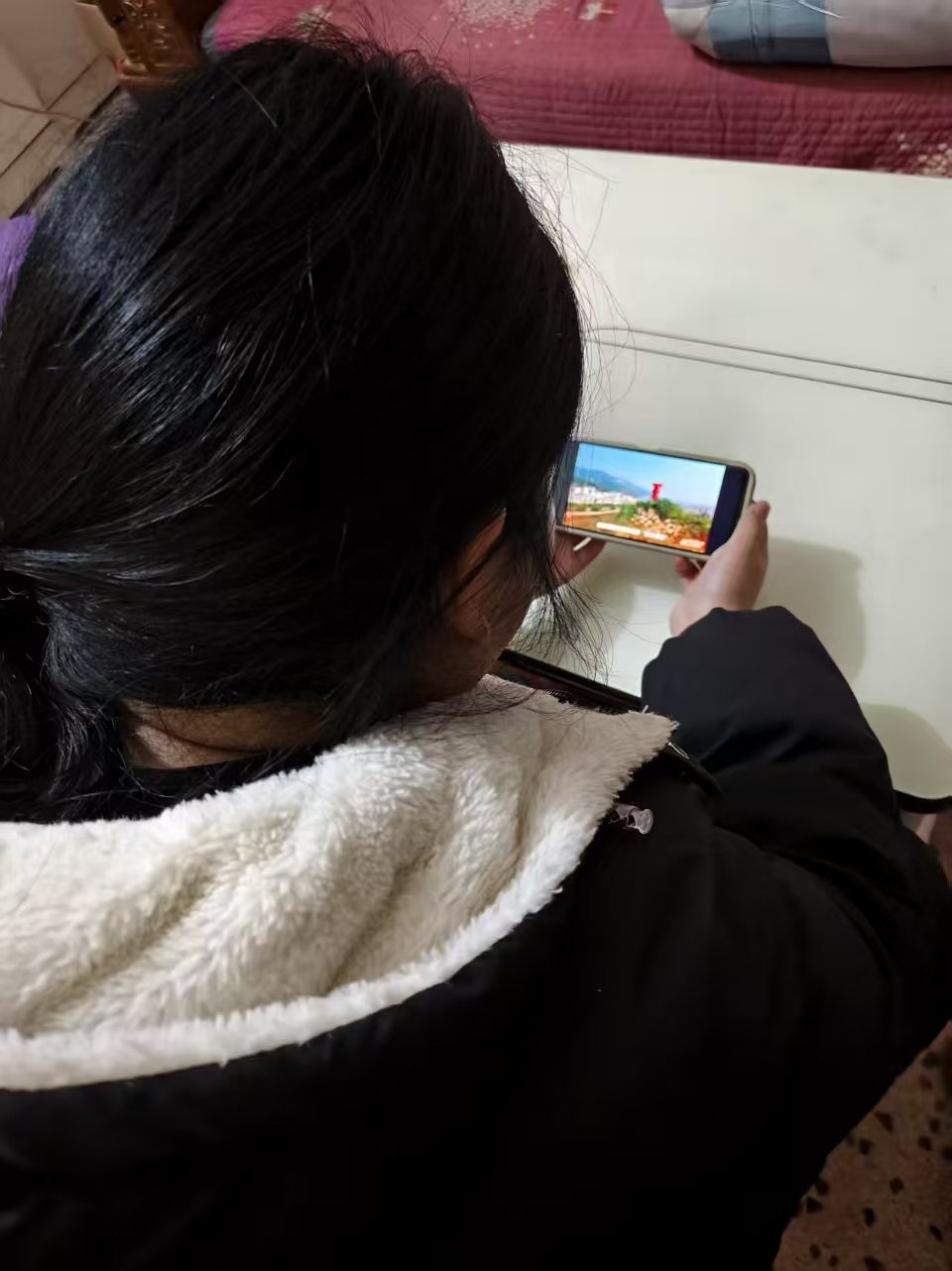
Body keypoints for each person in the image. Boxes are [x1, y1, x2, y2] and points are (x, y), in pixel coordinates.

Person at [0, 32, 948, 1271]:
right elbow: (877, 929)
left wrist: (452, 601)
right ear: (465, 579)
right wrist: (729, 648)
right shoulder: (641, 932)